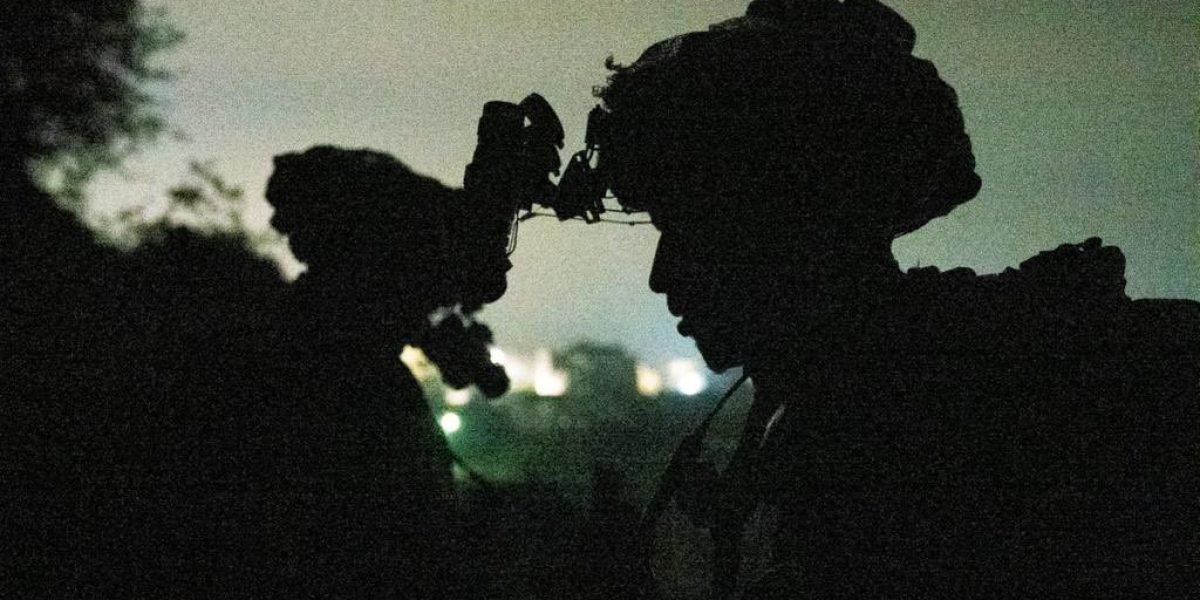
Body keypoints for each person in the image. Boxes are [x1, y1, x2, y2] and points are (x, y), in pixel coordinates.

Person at [593, 0, 1200, 597]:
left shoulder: (929, 418)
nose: (662, 276)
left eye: (697, 230)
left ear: (801, 227)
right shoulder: (855, 389)